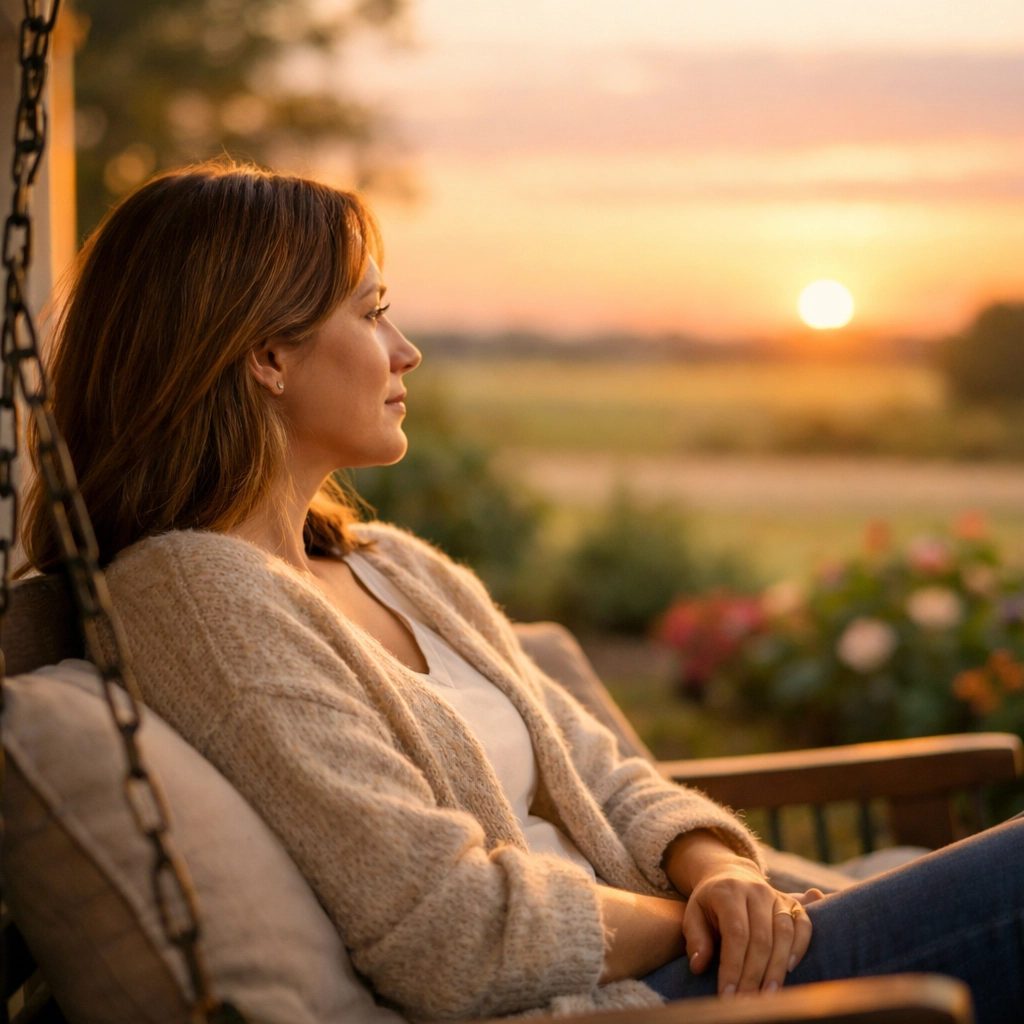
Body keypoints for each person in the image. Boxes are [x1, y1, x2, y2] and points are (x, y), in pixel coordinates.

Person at [22, 162, 1023, 1023]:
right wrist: (700, 924)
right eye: (371, 313)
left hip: (698, 955)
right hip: (632, 1001)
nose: (406, 348)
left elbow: (607, 771)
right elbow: (451, 932)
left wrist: (721, 871)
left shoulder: (388, 563)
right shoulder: (198, 596)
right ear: (266, 356)